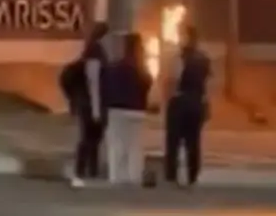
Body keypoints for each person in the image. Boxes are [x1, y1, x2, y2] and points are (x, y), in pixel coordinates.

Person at [163, 25, 211, 187]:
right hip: (197, 102)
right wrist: (206, 103)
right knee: (193, 141)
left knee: (174, 141)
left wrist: (167, 99)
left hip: (180, 102)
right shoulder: (204, 59)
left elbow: (173, 80)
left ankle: (171, 175)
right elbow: (207, 84)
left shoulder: (179, 58)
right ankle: (192, 175)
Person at [104, 32, 153, 185]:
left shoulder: (114, 68)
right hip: (137, 111)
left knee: (117, 146)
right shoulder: (141, 71)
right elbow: (147, 87)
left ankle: (116, 177)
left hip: (117, 111)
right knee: (135, 147)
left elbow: (106, 88)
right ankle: (134, 177)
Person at [69, 22, 109, 188]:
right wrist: (96, 109)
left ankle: (90, 170)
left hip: (86, 102)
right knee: (89, 138)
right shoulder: (95, 52)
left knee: (92, 138)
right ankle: (81, 171)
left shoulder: (91, 50)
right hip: (90, 103)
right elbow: (94, 83)